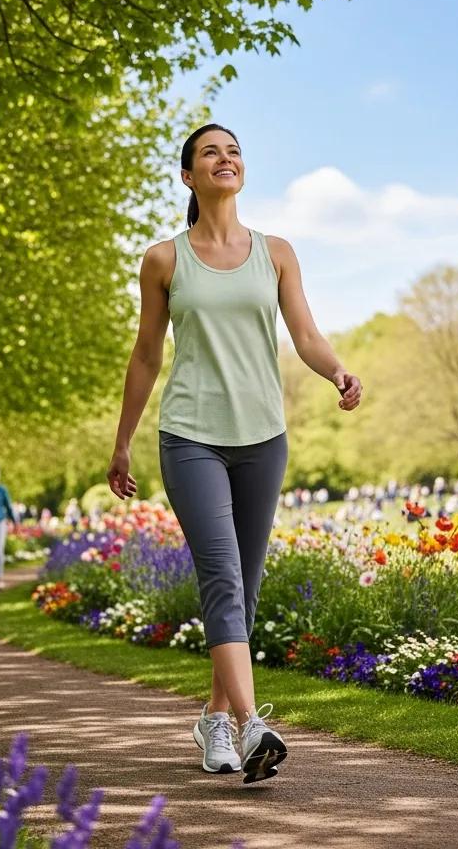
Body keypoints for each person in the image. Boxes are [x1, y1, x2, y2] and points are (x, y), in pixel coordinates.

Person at [106, 123, 362, 785]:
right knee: (221, 576)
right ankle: (252, 729)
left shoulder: (275, 252)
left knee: (243, 592)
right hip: (190, 434)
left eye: (234, 151)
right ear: (188, 177)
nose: (226, 158)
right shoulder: (164, 260)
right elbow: (145, 353)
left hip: (263, 438)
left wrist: (335, 370)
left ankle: (215, 720)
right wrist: (123, 441)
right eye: (210, 152)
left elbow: (304, 332)